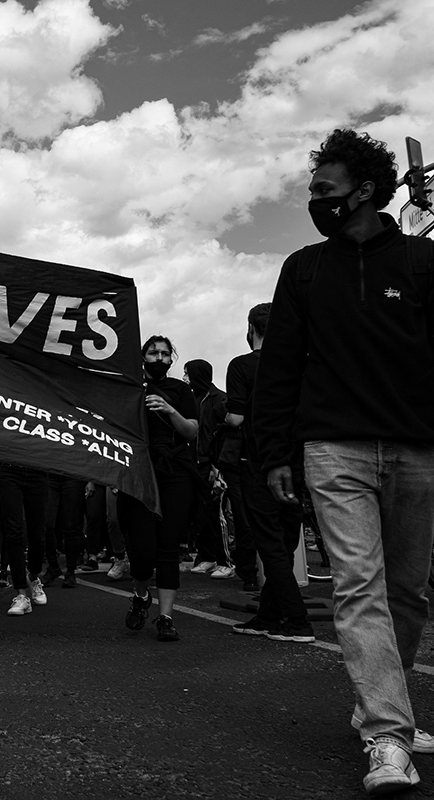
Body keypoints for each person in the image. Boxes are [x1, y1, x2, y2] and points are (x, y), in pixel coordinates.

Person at [254, 129, 434, 795]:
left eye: (324, 190)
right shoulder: (303, 269)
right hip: (333, 450)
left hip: (417, 449)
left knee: (408, 592)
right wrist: (273, 452)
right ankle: (387, 738)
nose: (314, 200)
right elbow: (280, 367)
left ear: (363, 191)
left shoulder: (423, 262)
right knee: (357, 587)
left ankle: (386, 706)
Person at [226, 303, 312, 643]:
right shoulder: (300, 365)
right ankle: (269, 616)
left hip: (260, 462)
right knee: (286, 543)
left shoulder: (242, 366)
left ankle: (297, 621)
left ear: (251, 329)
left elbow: (235, 418)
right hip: (299, 461)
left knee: (270, 545)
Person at [118, 335, 197, 643]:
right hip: (138, 472)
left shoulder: (180, 390)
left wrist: (168, 410)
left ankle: (166, 617)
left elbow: (192, 430)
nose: (160, 358)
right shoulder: (130, 388)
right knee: (141, 548)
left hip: (175, 471)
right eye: (154, 352)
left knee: (168, 546)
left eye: (166, 354)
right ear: (143, 356)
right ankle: (140, 596)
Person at [182, 359, 235, 579]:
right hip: (194, 464)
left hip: (212, 465)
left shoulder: (219, 399)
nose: (184, 378)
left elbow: (224, 435)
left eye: (187, 373)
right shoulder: (190, 399)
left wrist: (218, 466)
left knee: (217, 513)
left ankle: (226, 562)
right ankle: (208, 557)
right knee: (200, 513)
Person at [0, 460, 49, 615]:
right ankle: (21, 594)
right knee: (13, 532)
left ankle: (33, 576)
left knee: (38, 534)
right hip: (10, 471)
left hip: (38, 471)